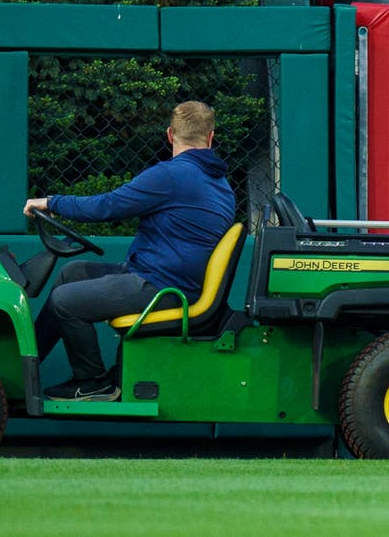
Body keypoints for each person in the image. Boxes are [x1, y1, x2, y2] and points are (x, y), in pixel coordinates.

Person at [24, 101, 235, 401]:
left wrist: (50, 202)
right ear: (211, 138)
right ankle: (23, 371)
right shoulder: (219, 183)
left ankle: (92, 382)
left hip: (163, 287)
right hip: (168, 279)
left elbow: (107, 206)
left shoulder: (172, 176)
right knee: (72, 273)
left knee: (63, 300)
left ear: (170, 135)